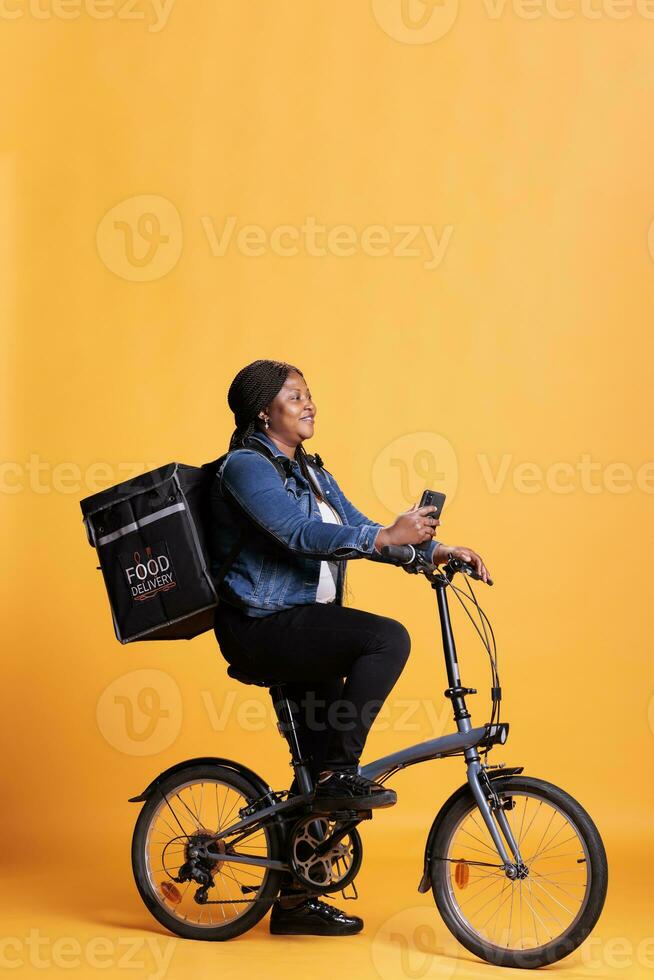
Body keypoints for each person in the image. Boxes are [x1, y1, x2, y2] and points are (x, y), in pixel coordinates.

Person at [209, 358, 490, 937]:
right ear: (264, 410)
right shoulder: (245, 467)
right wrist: (382, 535)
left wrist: (431, 552)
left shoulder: (312, 471)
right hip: (262, 626)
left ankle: (293, 900)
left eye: (310, 394)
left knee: (312, 773)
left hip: (305, 628)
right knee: (386, 638)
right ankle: (341, 771)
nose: (309, 404)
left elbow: (363, 528)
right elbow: (297, 533)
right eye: (295, 396)